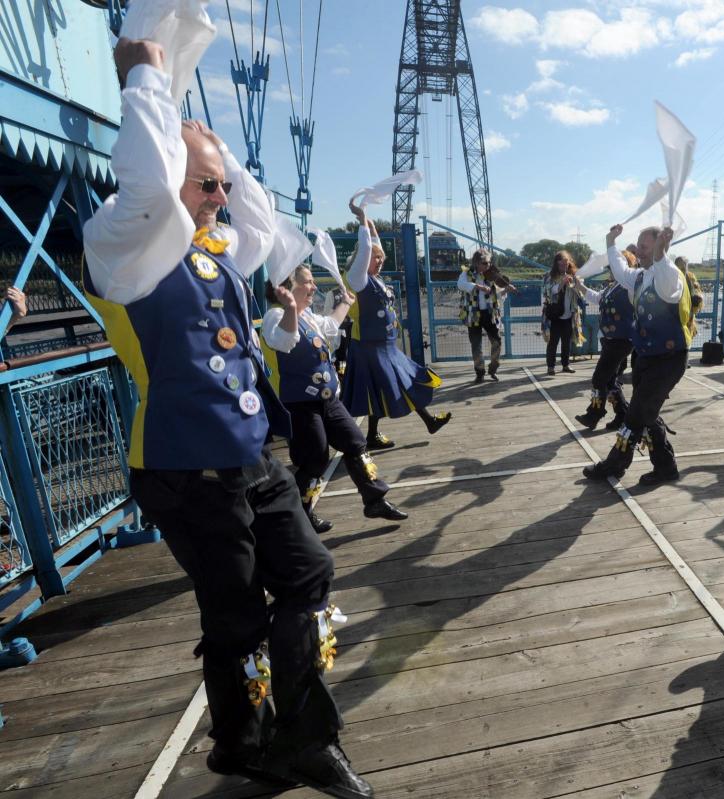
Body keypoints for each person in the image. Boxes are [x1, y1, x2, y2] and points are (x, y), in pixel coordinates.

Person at [81, 38, 372, 797]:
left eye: (218, 186)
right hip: (184, 468)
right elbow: (151, 185)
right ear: (168, 177)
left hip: (248, 456)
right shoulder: (125, 244)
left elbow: (267, 225)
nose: (220, 197)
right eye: (207, 186)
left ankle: (290, 735)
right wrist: (149, 79)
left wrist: (215, 149)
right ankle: (254, 741)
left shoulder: (214, 248)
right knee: (236, 613)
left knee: (308, 572)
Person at [262, 264, 409, 533]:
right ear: (288, 287)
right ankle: (300, 515)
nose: (314, 287)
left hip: (328, 400)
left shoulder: (308, 317)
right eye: (308, 282)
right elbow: (283, 341)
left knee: (355, 442)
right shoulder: (275, 316)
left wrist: (345, 302)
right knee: (314, 459)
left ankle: (375, 499)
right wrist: (291, 309)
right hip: (300, 404)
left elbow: (330, 326)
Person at [583, 224, 691, 487]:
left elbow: (668, 287)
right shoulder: (641, 276)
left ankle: (614, 465)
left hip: (668, 359)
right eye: (639, 246)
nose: (638, 251)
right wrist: (610, 241)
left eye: (644, 247)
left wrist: (661, 254)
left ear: (657, 246)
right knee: (648, 414)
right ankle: (666, 467)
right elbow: (620, 270)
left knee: (636, 415)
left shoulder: (669, 275)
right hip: (645, 356)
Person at [343, 204, 450, 449]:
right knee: (378, 389)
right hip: (369, 347)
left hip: (386, 346)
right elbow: (365, 250)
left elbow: (372, 245)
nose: (379, 261)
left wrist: (369, 225)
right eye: (375, 258)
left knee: (401, 382)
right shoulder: (357, 279)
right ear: (363, 258)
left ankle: (427, 421)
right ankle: (372, 434)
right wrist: (361, 220)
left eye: (381, 258)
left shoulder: (375, 280)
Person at [574, 250, 637, 431]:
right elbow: (597, 298)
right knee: (610, 381)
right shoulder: (613, 287)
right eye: (611, 267)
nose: (611, 271)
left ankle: (594, 414)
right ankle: (623, 415)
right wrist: (580, 287)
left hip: (621, 340)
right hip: (611, 340)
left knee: (598, 379)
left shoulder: (630, 287)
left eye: (614, 267)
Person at [457, 250, 505, 383]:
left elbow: (498, 293)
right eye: (485, 263)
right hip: (473, 314)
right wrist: (477, 286)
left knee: (497, 342)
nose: (488, 265)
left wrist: (506, 289)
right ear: (477, 263)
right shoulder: (466, 273)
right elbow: (460, 285)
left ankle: (493, 369)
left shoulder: (492, 274)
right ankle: (480, 372)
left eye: (489, 262)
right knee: (476, 346)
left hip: (489, 313)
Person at [542, 251, 585, 376]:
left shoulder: (573, 275)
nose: (564, 267)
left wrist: (576, 284)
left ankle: (566, 365)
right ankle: (551, 367)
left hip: (569, 315)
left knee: (567, 342)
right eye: (561, 265)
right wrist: (562, 283)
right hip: (554, 316)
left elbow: (581, 295)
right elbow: (547, 293)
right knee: (553, 342)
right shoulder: (548, 276)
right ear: (556, 264)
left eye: (566, 265)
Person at [675, 255, 704, 339]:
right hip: (675, 320)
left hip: (689, 321)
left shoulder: (691, 277)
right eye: (679, 269)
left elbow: (698, 291)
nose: (681, 272)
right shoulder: (671, 278)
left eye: (684, 269)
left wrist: (698, 299)